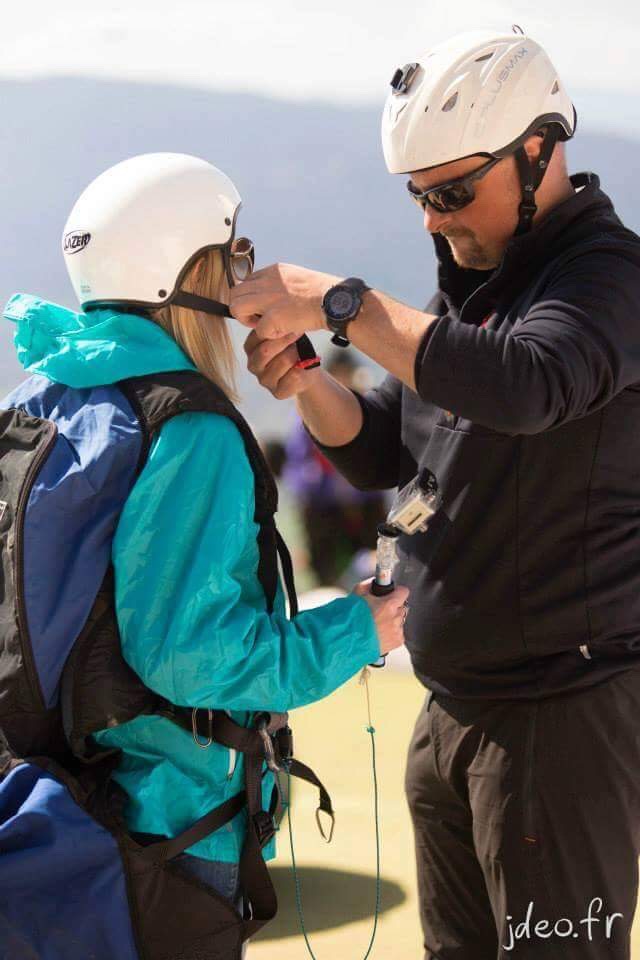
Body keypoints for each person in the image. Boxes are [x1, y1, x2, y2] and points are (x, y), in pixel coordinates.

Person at [231, 29, 640, 960]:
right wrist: (310, 386)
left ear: (541, 150)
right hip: (455, 708)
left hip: (559, 720)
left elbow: (525, 387)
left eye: (452, 192)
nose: (431, 220)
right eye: (419, 197)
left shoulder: (609, 279)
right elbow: (386, 448)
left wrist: (342, 303)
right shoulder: (479, 289)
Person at [0, 152, 408, 958]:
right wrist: (361, 630)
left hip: (41, 805)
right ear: (189, 273)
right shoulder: (191, 429)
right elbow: (193, 657)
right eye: (237, 257)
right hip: (167, 831)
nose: (245, 279)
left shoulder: (36, 398)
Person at [281, 351, 387, 586]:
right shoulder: (306, 415)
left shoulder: (367, 407)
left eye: (346, 375)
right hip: (323, 508)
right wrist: (318, 480)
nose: (342, 381)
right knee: (326, 574)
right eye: (336, 375)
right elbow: (297, 467)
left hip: (365, 503)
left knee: (377, 568)